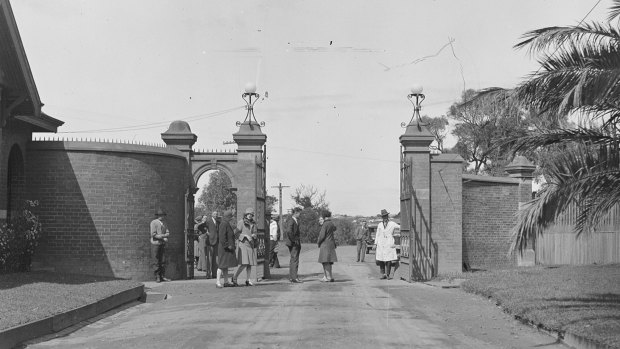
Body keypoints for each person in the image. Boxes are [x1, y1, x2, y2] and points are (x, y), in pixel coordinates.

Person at [232, 208, 258, 286]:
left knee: (249, 264)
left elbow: (255, 233)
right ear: (246, 215)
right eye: (248, 214)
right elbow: (236, 233)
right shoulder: (241, 222)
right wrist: (245, 236)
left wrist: (254, 235)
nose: (250, 216)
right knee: (244, 263)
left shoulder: (254, 223)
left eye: (251, 214)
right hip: (243, 244)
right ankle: (234, 277)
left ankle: (248, 280)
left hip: (251, 244)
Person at [375, 209, 401, 280]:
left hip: (389, 242)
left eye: (386, 216)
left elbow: (400, 227)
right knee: (381, 259)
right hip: (381, 243)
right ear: (382, 217)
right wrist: (375, 243)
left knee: (388, 259)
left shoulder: (392, 223)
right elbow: (377, 234)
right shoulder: (380, 225)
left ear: (388, 216)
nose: (385, 217)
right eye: (383, 216)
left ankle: (388, 274)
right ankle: (383, 274)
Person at [216, 210, 238, 288]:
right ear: (228, 217)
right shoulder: (223, 224)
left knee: (225, 265)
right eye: (231, 217)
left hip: (226, 248)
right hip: (224, 249)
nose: (231, 218)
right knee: (221, 265)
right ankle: (218, 282)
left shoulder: (225, 223)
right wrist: (227, 245)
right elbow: (222, 237)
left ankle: (226, 281)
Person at [150, 208, 171, 282]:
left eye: (163, 215)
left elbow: (168, 233)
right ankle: (157, 277)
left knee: (163, 260)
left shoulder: (164, 223)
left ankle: (162, 276)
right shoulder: (154, 222)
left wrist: (164, 236)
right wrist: (163, 237)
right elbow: (153, 234)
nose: (161, 216)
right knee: (156, 261)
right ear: (157, 216)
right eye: (160, 215)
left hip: (162, 244)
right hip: (155, 244)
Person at [317, 211, 337, 282]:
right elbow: (335, 228)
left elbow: (322, 236)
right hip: (331, 244)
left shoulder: (325, 224)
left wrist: (318, 242)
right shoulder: (331, 223)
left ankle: (328, 277)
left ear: (324, 216)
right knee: (328, 261)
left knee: (325, 261)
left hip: (325, 244)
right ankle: (328, 276)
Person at [285, 207, 303, 283]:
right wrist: (294, 240)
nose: (300, 215)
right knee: (295, 260)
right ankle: (294, 277)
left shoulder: (294, 220)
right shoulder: (292, 220)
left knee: (293, 259)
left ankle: (292, 277)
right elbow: (289, 231)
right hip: (293, 243)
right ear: (296, 213)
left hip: (293, 242)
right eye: (299, 213)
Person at [205, 211, 219, 279]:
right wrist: (207, 232)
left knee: (215, 259)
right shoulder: (208, 221)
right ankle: (208, 274)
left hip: (216, 242)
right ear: (212, 215)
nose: (216, 215)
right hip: (210, 242)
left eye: (217, 214)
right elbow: (203, 227)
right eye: (215, 214)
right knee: (209, 259)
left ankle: (214, 274)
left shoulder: (218, 221)